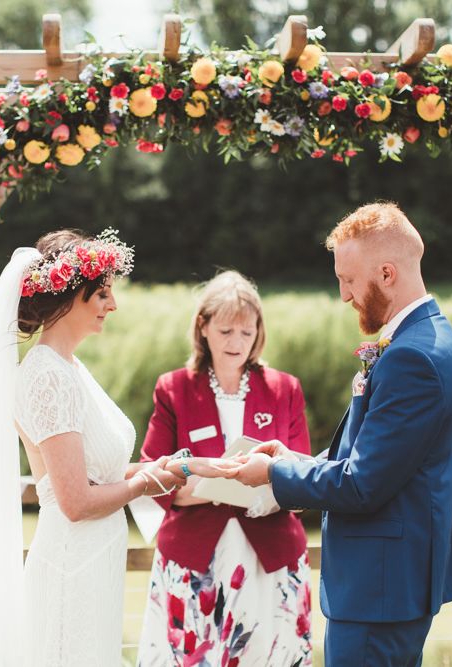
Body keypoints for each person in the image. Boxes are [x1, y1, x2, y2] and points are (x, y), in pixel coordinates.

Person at [0, 228, 232, 667]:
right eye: (103, 294)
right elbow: (74, 501)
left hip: (95, 559)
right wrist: (147, 483)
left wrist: (155, 467)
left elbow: (96, 472)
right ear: (71, 294)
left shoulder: (69, 367)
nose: (114, 305)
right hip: (72, 563)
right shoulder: (46, 376)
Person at [228, 203, 452, 667]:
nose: (343, 295)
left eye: (349, 280)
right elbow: (372, 452)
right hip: (390, 584)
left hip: (379, 589)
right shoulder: (427, 338)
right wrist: (295, 461)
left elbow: (362, 484)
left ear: (386, 273)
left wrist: (275, 474)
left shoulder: (412, 358)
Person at [136, 270, 313, 667]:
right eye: (227, 330)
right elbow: (154, 476)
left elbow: (303, 480)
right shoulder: (173, 388)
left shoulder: (285, 388)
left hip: (270, 556)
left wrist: (270, 485)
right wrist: (209, 481)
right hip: (195, 555)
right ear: (203, 327)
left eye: (247, 333)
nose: (237, 343)